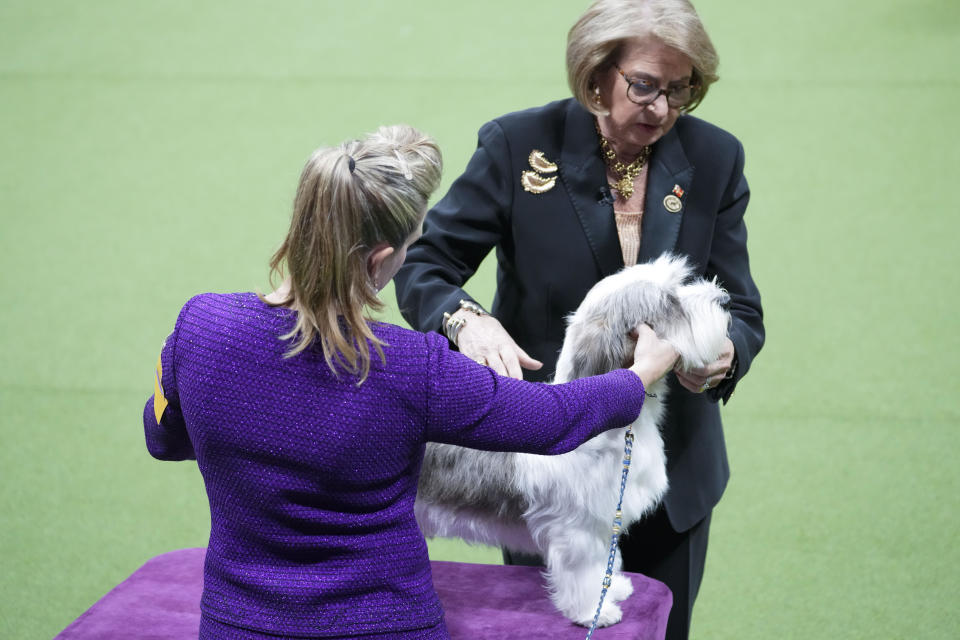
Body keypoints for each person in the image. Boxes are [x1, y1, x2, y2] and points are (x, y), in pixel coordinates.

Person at [143, 124, 679, 640]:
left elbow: (163, 438)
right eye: (409, 247)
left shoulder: (200, 325)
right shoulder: (410, 365)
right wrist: (640, 375)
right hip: (385, 623)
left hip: (238, 624)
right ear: (381, 259)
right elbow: (553, 421)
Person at [393, 1, 765, 638]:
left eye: (682, 90)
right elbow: (426, 262)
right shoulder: (517, 145)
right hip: (542, 464)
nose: (662, 108)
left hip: (669, 468)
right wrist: (465, 321)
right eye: (644, 85)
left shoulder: (716, 158)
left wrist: (728, 351)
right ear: (596, 75)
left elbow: (741, 307)